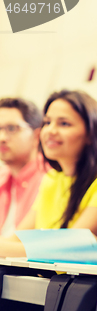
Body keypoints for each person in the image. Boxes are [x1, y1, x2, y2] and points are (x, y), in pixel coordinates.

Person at [0, 90, 97, 257]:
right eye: (47, 122)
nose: (50, 130)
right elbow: (17, 240)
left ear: (90, 133)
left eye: (64, 124)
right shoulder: (51, 179)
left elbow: (69, 250)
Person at [0, 98, 46, 237]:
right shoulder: (3, 176)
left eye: (12, 128)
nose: (2, 137)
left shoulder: (51, 178)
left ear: (36, 135)